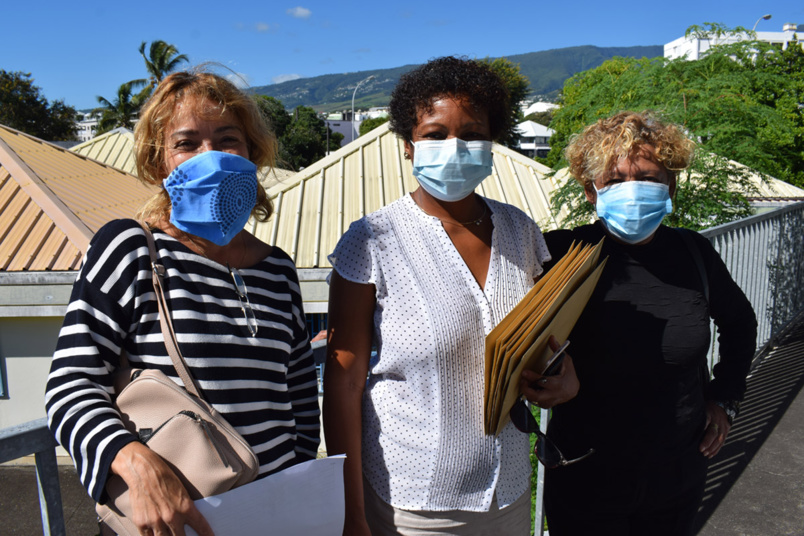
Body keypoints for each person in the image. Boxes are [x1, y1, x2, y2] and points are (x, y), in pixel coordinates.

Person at [45, 69, 320, 536]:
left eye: (227, 139)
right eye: (187, 143)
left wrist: (295, 488)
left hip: (273, 517)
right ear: (160, 165)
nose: (209, 157)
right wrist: (133, 461)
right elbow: (70, 386)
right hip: (175, 520)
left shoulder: (278, 269)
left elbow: (297, 398)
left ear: (252, 153)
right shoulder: (130, 249)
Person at [323, 56, 578, 536]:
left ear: (492, 143)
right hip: (412, 504)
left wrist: (565, 376)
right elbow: (344, 382)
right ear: (407, 146)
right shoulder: (373, 239)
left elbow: (548, 336)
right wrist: (349, 509)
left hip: (510, 491)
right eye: (435, 134)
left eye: (472, 133)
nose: (454, 147)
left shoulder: (522, 232)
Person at [541, 111, 757, 536]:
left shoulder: (693, 252)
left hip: (677, 473)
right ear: (591, 191)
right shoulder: (558, 253)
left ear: (670, 186)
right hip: (585, 472)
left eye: (648, 177)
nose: (633, 190)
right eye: (616, 180)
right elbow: (514, 342)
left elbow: (740, 322)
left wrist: (726, 398)